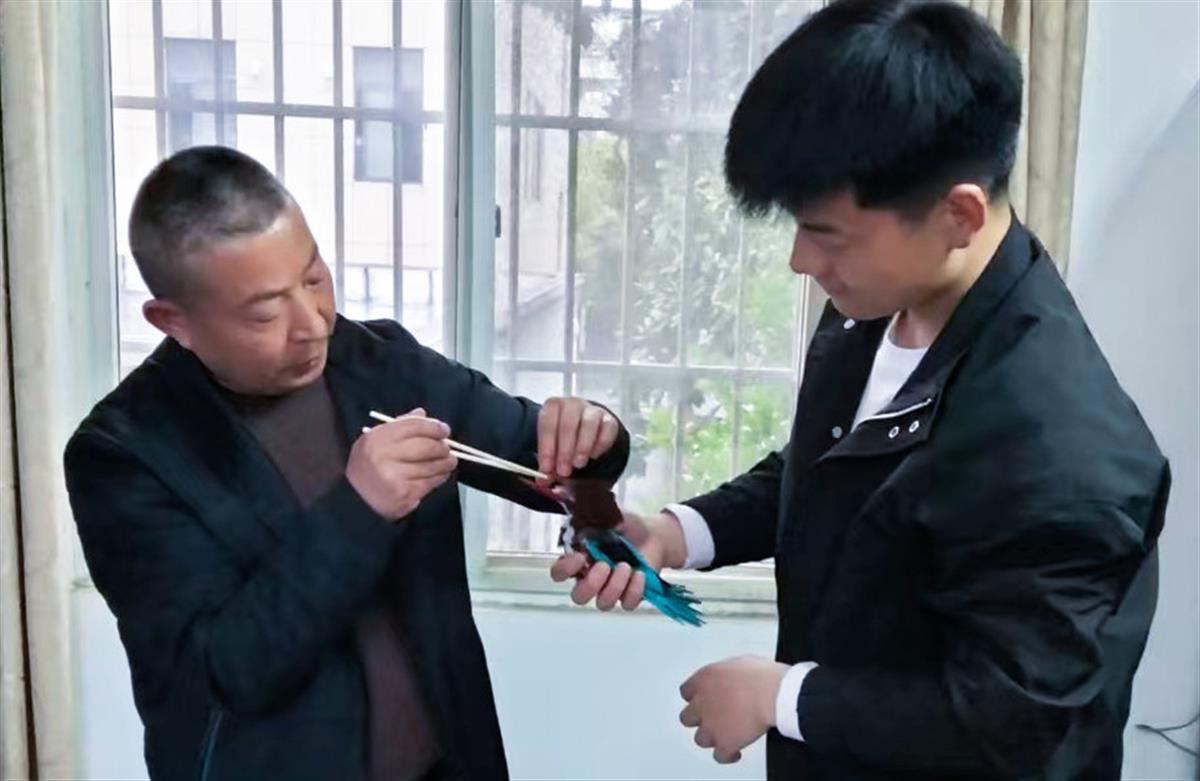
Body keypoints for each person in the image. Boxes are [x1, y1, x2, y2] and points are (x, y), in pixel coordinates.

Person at [552, 1, 1170, 778]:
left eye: (827, 234)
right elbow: (832, 466)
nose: (800, 261)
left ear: (957, 215)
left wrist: (781, 696)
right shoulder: (875, 302)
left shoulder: (1060, 446)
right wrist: (675, 534)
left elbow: (1013, 715)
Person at [65, 145, 629, 780]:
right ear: (175, 322)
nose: (312, 325)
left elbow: (544, 458)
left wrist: (593, 434)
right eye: (265, 312)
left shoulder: (381, 363)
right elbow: (225, 671)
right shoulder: (126, 452)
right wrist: (360, 507)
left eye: (314, 278)